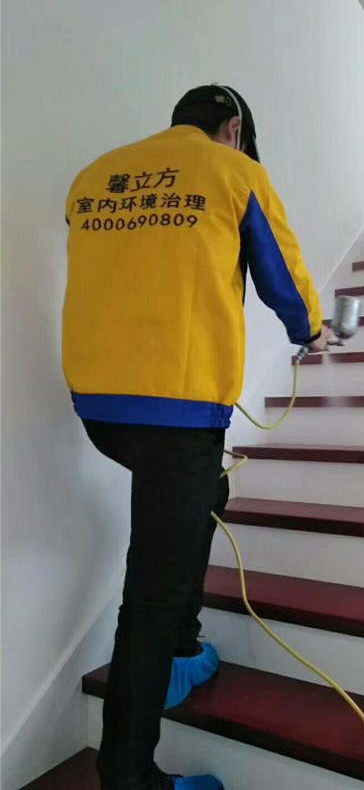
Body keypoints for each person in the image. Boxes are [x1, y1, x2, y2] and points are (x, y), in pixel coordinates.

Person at [62, 84, 328, 790]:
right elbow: (284, 277)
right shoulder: (235, 172)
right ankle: (128, 773)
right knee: (151, 592)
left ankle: (182, 643)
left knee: (211, 492)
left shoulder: (95, 175)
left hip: (98, 407)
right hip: (175, 414)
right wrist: (310, 332)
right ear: (233, 127)